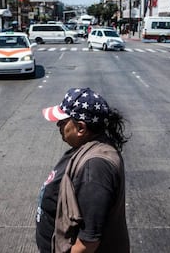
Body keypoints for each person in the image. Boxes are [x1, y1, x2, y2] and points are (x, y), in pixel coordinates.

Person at [36, 88, 130, 253]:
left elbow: (88, 243)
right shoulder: (85, 147)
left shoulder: (95, 169)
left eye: (63, 121)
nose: (58, 125)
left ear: (81, 128)